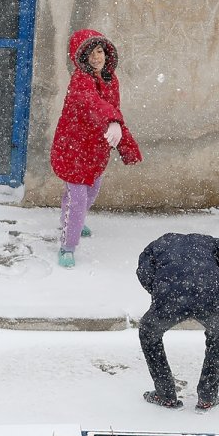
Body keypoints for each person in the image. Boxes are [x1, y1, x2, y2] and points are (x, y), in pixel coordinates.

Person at [51, 29, 142, 268]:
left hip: (96, 148)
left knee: (90, 191)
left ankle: (72, 221)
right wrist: (112, 120)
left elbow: (114, 113)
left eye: (99, 51)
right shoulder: (80, 80)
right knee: (78, 197)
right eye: (90, 53)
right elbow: (93, 103)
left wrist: (125, 144)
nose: (96, 57)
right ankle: (67, 246)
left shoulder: (111, 80)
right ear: (81, 57)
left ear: (106, 53)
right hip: (73, 147)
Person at [136, 233, 219, 410]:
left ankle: (165, 394)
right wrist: (218, 279)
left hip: (171, 295)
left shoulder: (155, 246)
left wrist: (161, 292)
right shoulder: (210, 242)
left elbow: (143, 271)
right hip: (210, 294)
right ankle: (208, 396)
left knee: (148, 332)